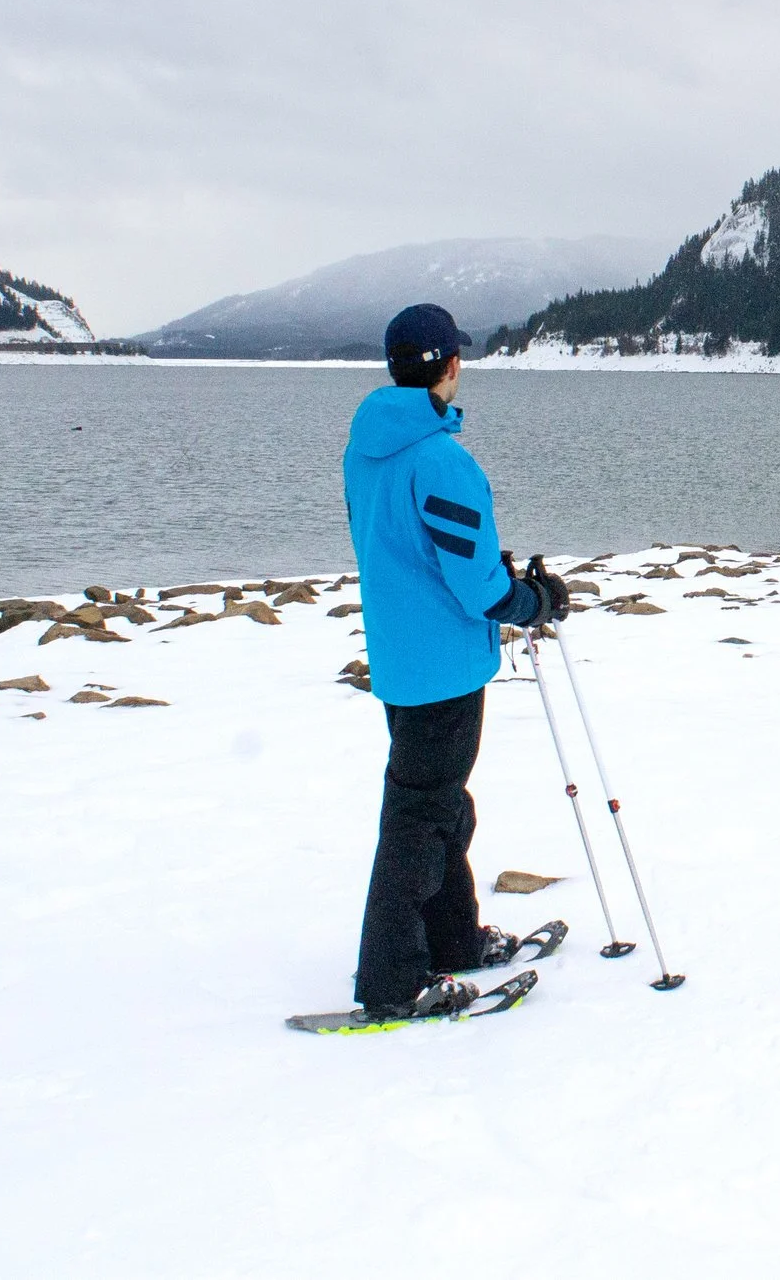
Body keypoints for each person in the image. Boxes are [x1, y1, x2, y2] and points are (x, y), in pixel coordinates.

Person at [340, 302, 570, 1021]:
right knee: (420, 814)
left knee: (438, 806)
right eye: (458, 356)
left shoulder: (367, 447)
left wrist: (494, 578)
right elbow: (476, 587)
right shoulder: (440, 458)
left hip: (401, 659)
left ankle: (452, 939)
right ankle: (391, 976)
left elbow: (407, 546)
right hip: (442, 666)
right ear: (446, 364)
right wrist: (532, 600)